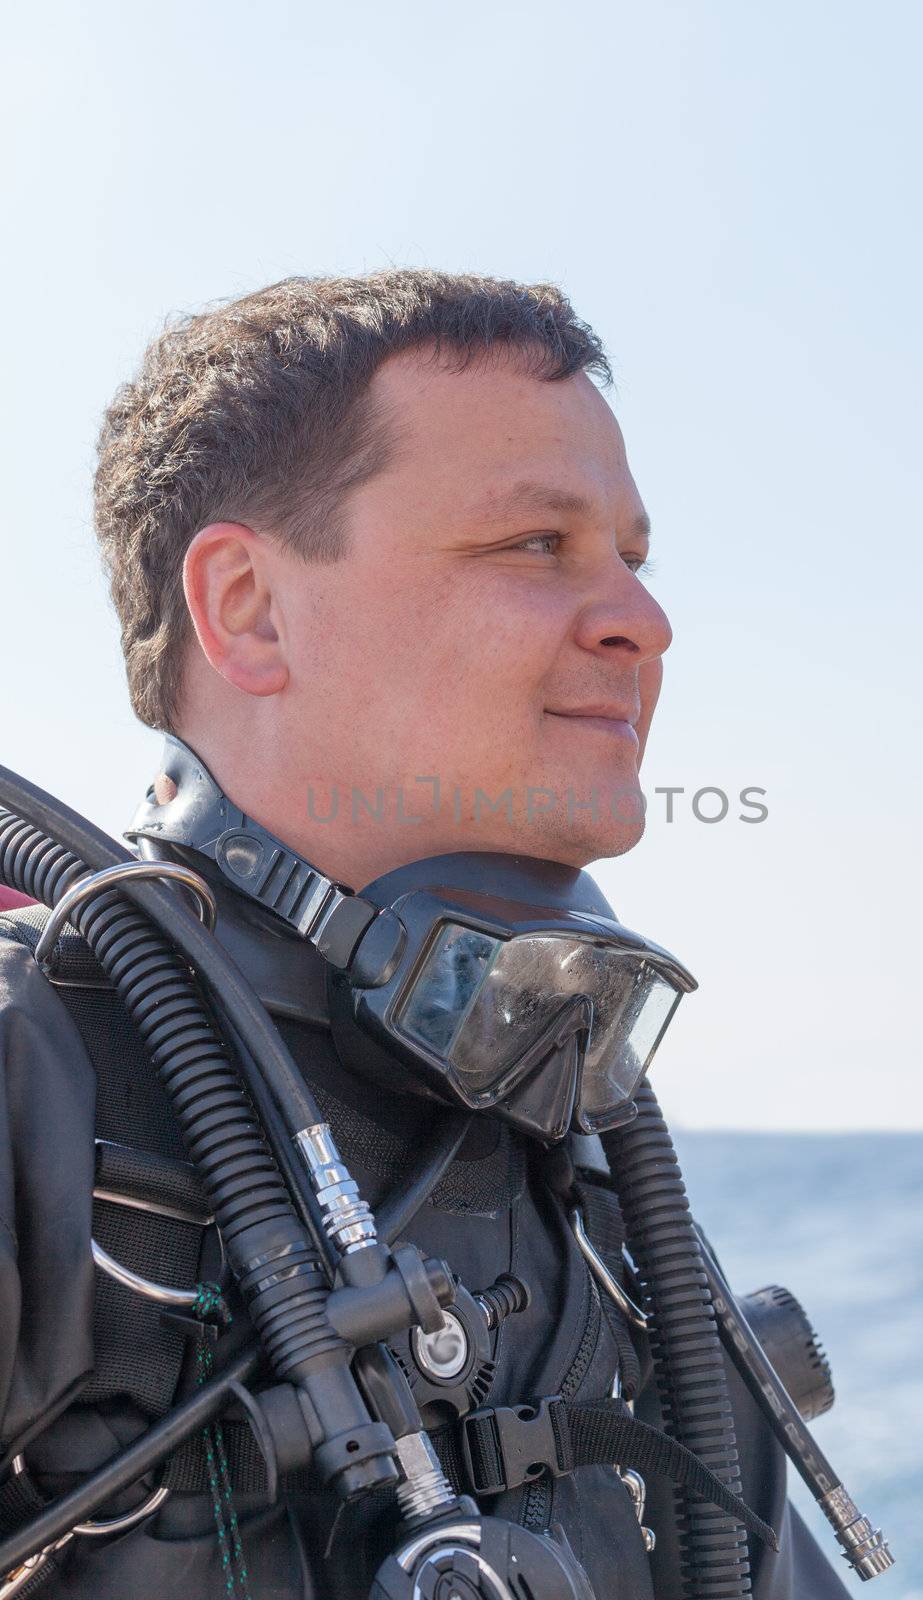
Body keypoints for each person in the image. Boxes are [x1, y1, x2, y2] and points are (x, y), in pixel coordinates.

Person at [0, 272, 852, 1597]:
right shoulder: (33, 1088)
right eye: (533, 545)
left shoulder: (593, 1171)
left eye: (634, 555)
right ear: (250, 611)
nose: (644, 620)